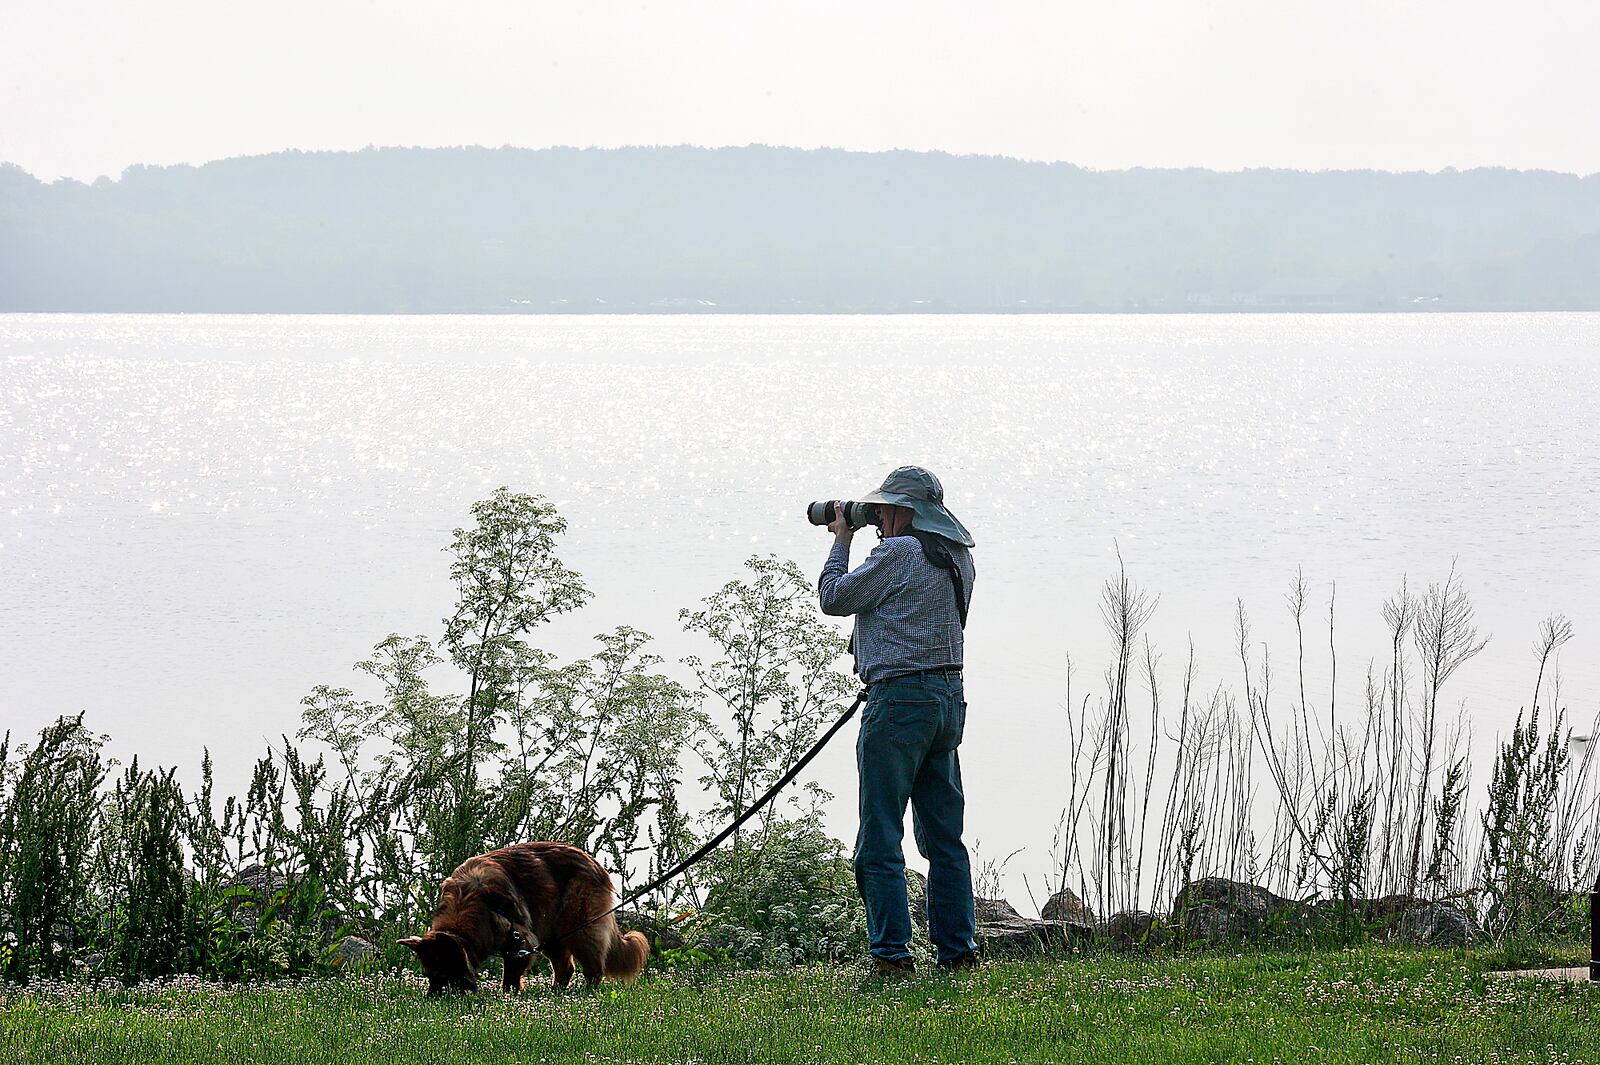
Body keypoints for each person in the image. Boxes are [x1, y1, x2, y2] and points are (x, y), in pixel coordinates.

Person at [817, 465, 978, 974]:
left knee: (880, 834)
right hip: (947, 700)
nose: (879, 518)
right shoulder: (956, 556)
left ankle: (890, 955)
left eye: (883, 510)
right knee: (945, 839)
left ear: (905, 511)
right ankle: (958, 951)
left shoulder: (901, 551)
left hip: (899, 704)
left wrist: (843, 537)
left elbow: (835, 598)